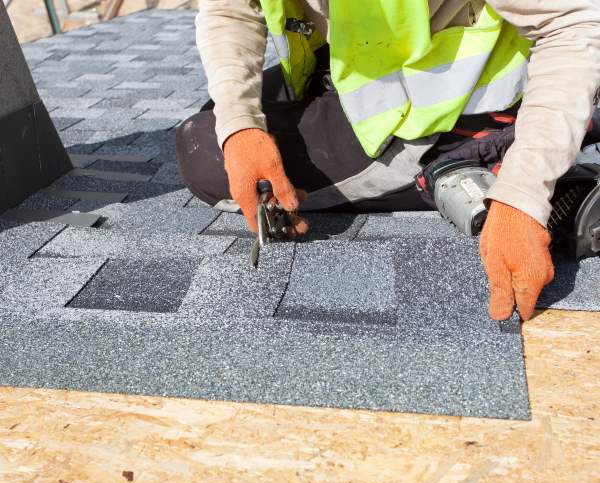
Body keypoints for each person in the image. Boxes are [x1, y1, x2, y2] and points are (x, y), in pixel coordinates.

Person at [176, 0, 600, 321]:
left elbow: (575, 21)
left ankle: (486, 148)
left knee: (207, 158)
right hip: (355, 73)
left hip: (447, 104)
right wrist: (241, 127)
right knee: (221, 119)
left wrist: (524, 194)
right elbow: (231, 9)